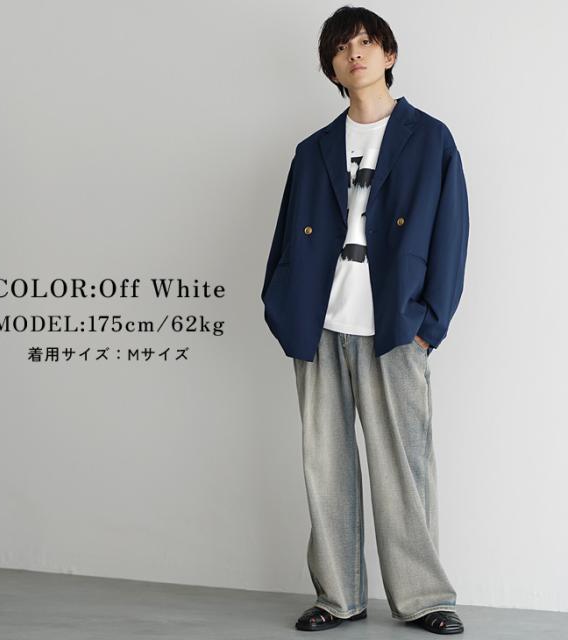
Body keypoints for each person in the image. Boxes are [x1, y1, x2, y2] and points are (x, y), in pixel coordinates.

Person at [260, 6, 469, 635]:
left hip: (395, 329)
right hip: (318, 327)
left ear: (388, 55)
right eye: (342, 47)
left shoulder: (429, 139)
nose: (355, 53)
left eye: (366, 42)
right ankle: (338, 595)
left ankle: (425, 598)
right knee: (325, 466)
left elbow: (451, 237)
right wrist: (282, 310)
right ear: (331, 67)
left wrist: (430, 325)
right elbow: (283, 240)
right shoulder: (313, 150)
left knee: (403, 467)